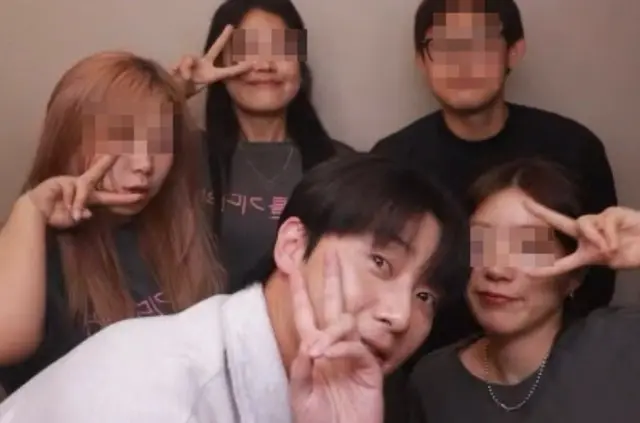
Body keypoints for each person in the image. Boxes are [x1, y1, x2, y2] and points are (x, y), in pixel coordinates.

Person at [0, 154, 468, 422]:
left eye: (425, 295)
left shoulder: (348, 397)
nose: (400, 315)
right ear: (292, 246)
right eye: (381, 263)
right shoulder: (160, 394)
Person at [372, 0, 617, 354]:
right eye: (444, 46)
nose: (462, 62)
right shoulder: (391, 159)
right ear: (421, 60)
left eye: (481, 43)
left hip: (552, 362)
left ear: (513, 52)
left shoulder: (574, 148)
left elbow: (598, 272)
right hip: (423, 363)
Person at [0, 51, 225, 394]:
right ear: (69, 138)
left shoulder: (180, 228)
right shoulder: (25, 245)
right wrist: (30, 210)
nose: (144, 164)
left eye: (159, 143)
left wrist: (162, 95)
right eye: (122, 139)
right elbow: (7, 341)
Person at [409, 158, 640, 422]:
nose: (496, 269)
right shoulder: (433, 381)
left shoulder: (623, 341)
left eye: (528, 246)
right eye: (480, 242)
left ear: (574, 275)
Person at [174, 0, 353, 291]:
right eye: (247, 51)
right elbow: (114, 160)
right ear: (218, 65)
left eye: (281, 50)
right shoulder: (183, 155)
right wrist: (176, 93)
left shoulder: (342, 165)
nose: (265, 65)